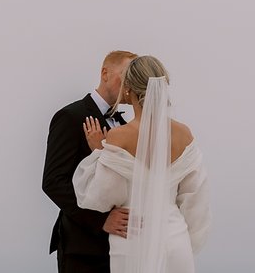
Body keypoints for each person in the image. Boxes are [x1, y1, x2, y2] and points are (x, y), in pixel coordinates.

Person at [72, 55, 210, 273]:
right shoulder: (184, 134)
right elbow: (196, 201)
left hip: (132, 239)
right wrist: (186, 241)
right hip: (175, 239)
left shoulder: (119, 137)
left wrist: (99, 152)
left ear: (128, 89)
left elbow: (104, 197)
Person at [43, 50, 138, 273]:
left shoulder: (126, 126)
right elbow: (54, 182)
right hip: (82, 248)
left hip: (121, 248)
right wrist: (101, 220)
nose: (130, 84)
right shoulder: (70, 116)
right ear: (105, 73)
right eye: (125, 75)